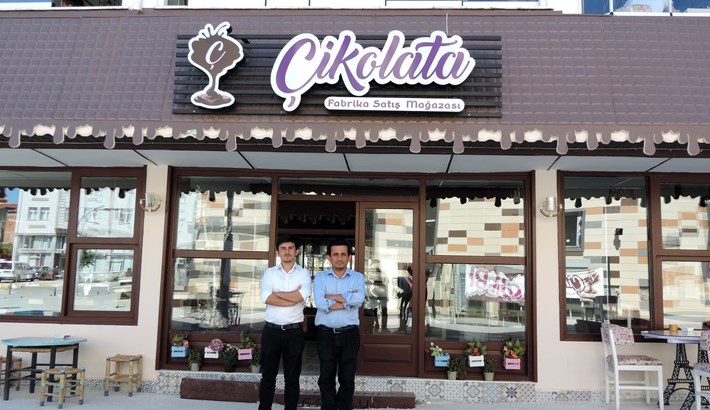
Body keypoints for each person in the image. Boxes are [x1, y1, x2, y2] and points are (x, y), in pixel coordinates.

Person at [258, 234, 312, 410]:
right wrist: (292, 297)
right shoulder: (270, 273)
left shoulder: (304, 273)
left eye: (290, 248)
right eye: (283, 248)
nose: (287, 252)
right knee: (268, 376)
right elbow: (266, 297)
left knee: (292, 378)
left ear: (297, 251)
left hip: (294, 332)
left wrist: (277, 293)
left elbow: (302, 296)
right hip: (271, 332)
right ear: (277, 252)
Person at [313, 238, 366, 410]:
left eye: (343, 254)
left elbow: (359, 299)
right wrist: (347, 299)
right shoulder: (320, 277)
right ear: (329, 257)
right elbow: (319, 303)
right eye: (335, 254)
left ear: (349, 257)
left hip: (350, 334)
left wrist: (331, 297)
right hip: (325, 334)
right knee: (326, 377)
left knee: (347, 378)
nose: (339, 258)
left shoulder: (357, 277)